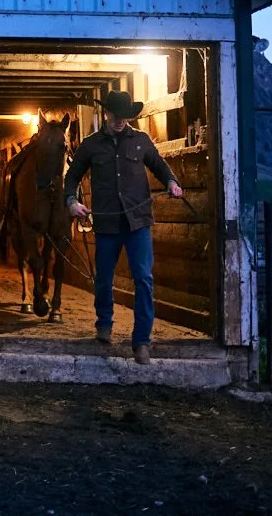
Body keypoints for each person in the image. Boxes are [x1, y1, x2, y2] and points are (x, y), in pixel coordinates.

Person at [64, 90, 183, 365]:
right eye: (116, 116)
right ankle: (104, 323)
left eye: (125, 117)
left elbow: (161, 167)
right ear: (106, 113)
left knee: (143, 278)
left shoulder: (141, 141)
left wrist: (172, 183)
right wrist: (72, 201)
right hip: (106, 223)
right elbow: (71, 178)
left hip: (138, 222)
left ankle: (142, 341)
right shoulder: (90, 145)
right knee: (104, 277)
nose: (120, 121)